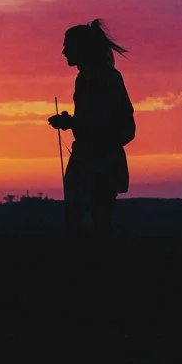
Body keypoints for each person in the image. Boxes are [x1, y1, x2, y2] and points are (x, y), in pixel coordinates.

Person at [47, 19, 134, 237]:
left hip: (95, 161)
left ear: (82, 48)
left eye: (68, 46)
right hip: (102, 159)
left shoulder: (96, 78)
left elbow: (100, 121)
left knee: (87, 224)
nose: (63, 51)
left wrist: (70, 123)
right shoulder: (101, 76)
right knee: (98, 222)